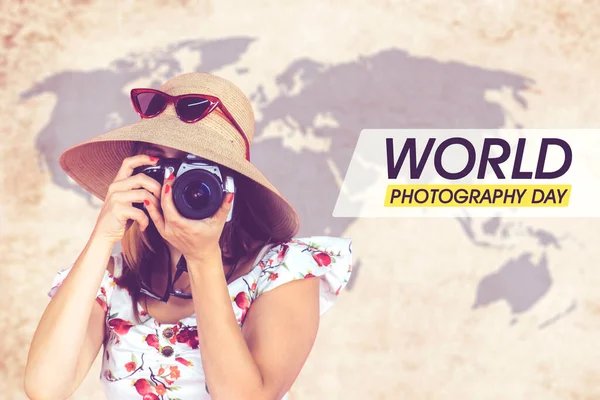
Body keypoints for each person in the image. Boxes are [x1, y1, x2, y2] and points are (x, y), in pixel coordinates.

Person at [24, 72, 352, 400]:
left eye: (194, 168)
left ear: (234, 185)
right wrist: (102, 237)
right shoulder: (114, 278)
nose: (175, 183)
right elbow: (44, 389)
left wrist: (202, 258)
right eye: (159, 163)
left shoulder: (285, 270)